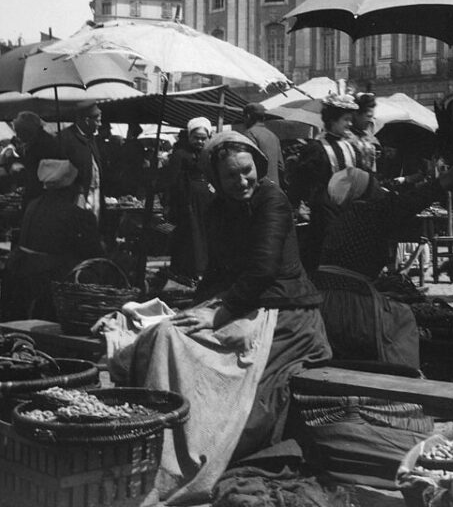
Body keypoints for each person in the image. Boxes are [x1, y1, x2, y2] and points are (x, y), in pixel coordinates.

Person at [116, 131, 331, 505]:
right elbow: (217, 270)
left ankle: (203, 444)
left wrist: (221, 314)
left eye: (246, 171)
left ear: (258, 167)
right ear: (216, 179)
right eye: (231, 176)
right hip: (240, 300)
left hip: (284, 311)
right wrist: (198, 309)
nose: (241, 181)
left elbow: (263, 268)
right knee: (168, 334)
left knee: (222, 366)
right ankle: (166, 440)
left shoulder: (272, 201)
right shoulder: (218, 209)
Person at [315, 151, 453, 368]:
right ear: (365, 192)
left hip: (323, 299)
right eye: (374, 186)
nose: (380, 189)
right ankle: (404, 384)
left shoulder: (343, 216)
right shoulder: (371, 210)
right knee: (403, 321)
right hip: (349, 301)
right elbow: (420, 197)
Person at [0, 159, 105, 322]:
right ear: (71, 188)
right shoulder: (77, 215)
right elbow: (94, 254)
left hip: (19, 273)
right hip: (49, 280)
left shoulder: (33, 205)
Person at [290, 93, 363, 272]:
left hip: (349, 214)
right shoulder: (316, 148)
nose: (350, 124)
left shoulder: (351, 147)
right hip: (324, 217)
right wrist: (298, 205)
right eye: (346, 119)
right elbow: (301, 182)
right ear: (333, 120)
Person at [162, 117, 213, 279]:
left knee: (204, 233)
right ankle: (186, 270)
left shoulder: (208, 154)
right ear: (189, 136)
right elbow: (171, 180)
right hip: (186, 200)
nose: (199, 141)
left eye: (203, 139)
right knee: (189, 235)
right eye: (196, 138)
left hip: (206, 200)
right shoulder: (180, 154)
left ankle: (203, 268)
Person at [57, 102, 104, 220]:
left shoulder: (91, 138)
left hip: (95, 192)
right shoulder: (66, 138)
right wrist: (78, 190)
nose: (100, 124)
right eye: (97, 121)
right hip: (78, 196)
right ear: (87, 120)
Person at [12, 111, 64, 213]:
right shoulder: (37, 142)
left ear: (28, 130)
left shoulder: (42, 145)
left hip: (43, 199)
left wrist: (22, 170)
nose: (17, 135)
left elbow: (41, 175)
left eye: (19, 131)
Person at [241, 103, 284, 187]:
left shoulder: (249, 134)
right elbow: (281, 166)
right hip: (274, 188)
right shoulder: (273, 136)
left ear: (248, 116)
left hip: (258, 188)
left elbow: (246, 164)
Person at [350, 91, 381, 173]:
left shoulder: (369, 138)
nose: (371, 120)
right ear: (356, 114)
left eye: (372, 117)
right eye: (368, 116)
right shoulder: (344, 137)